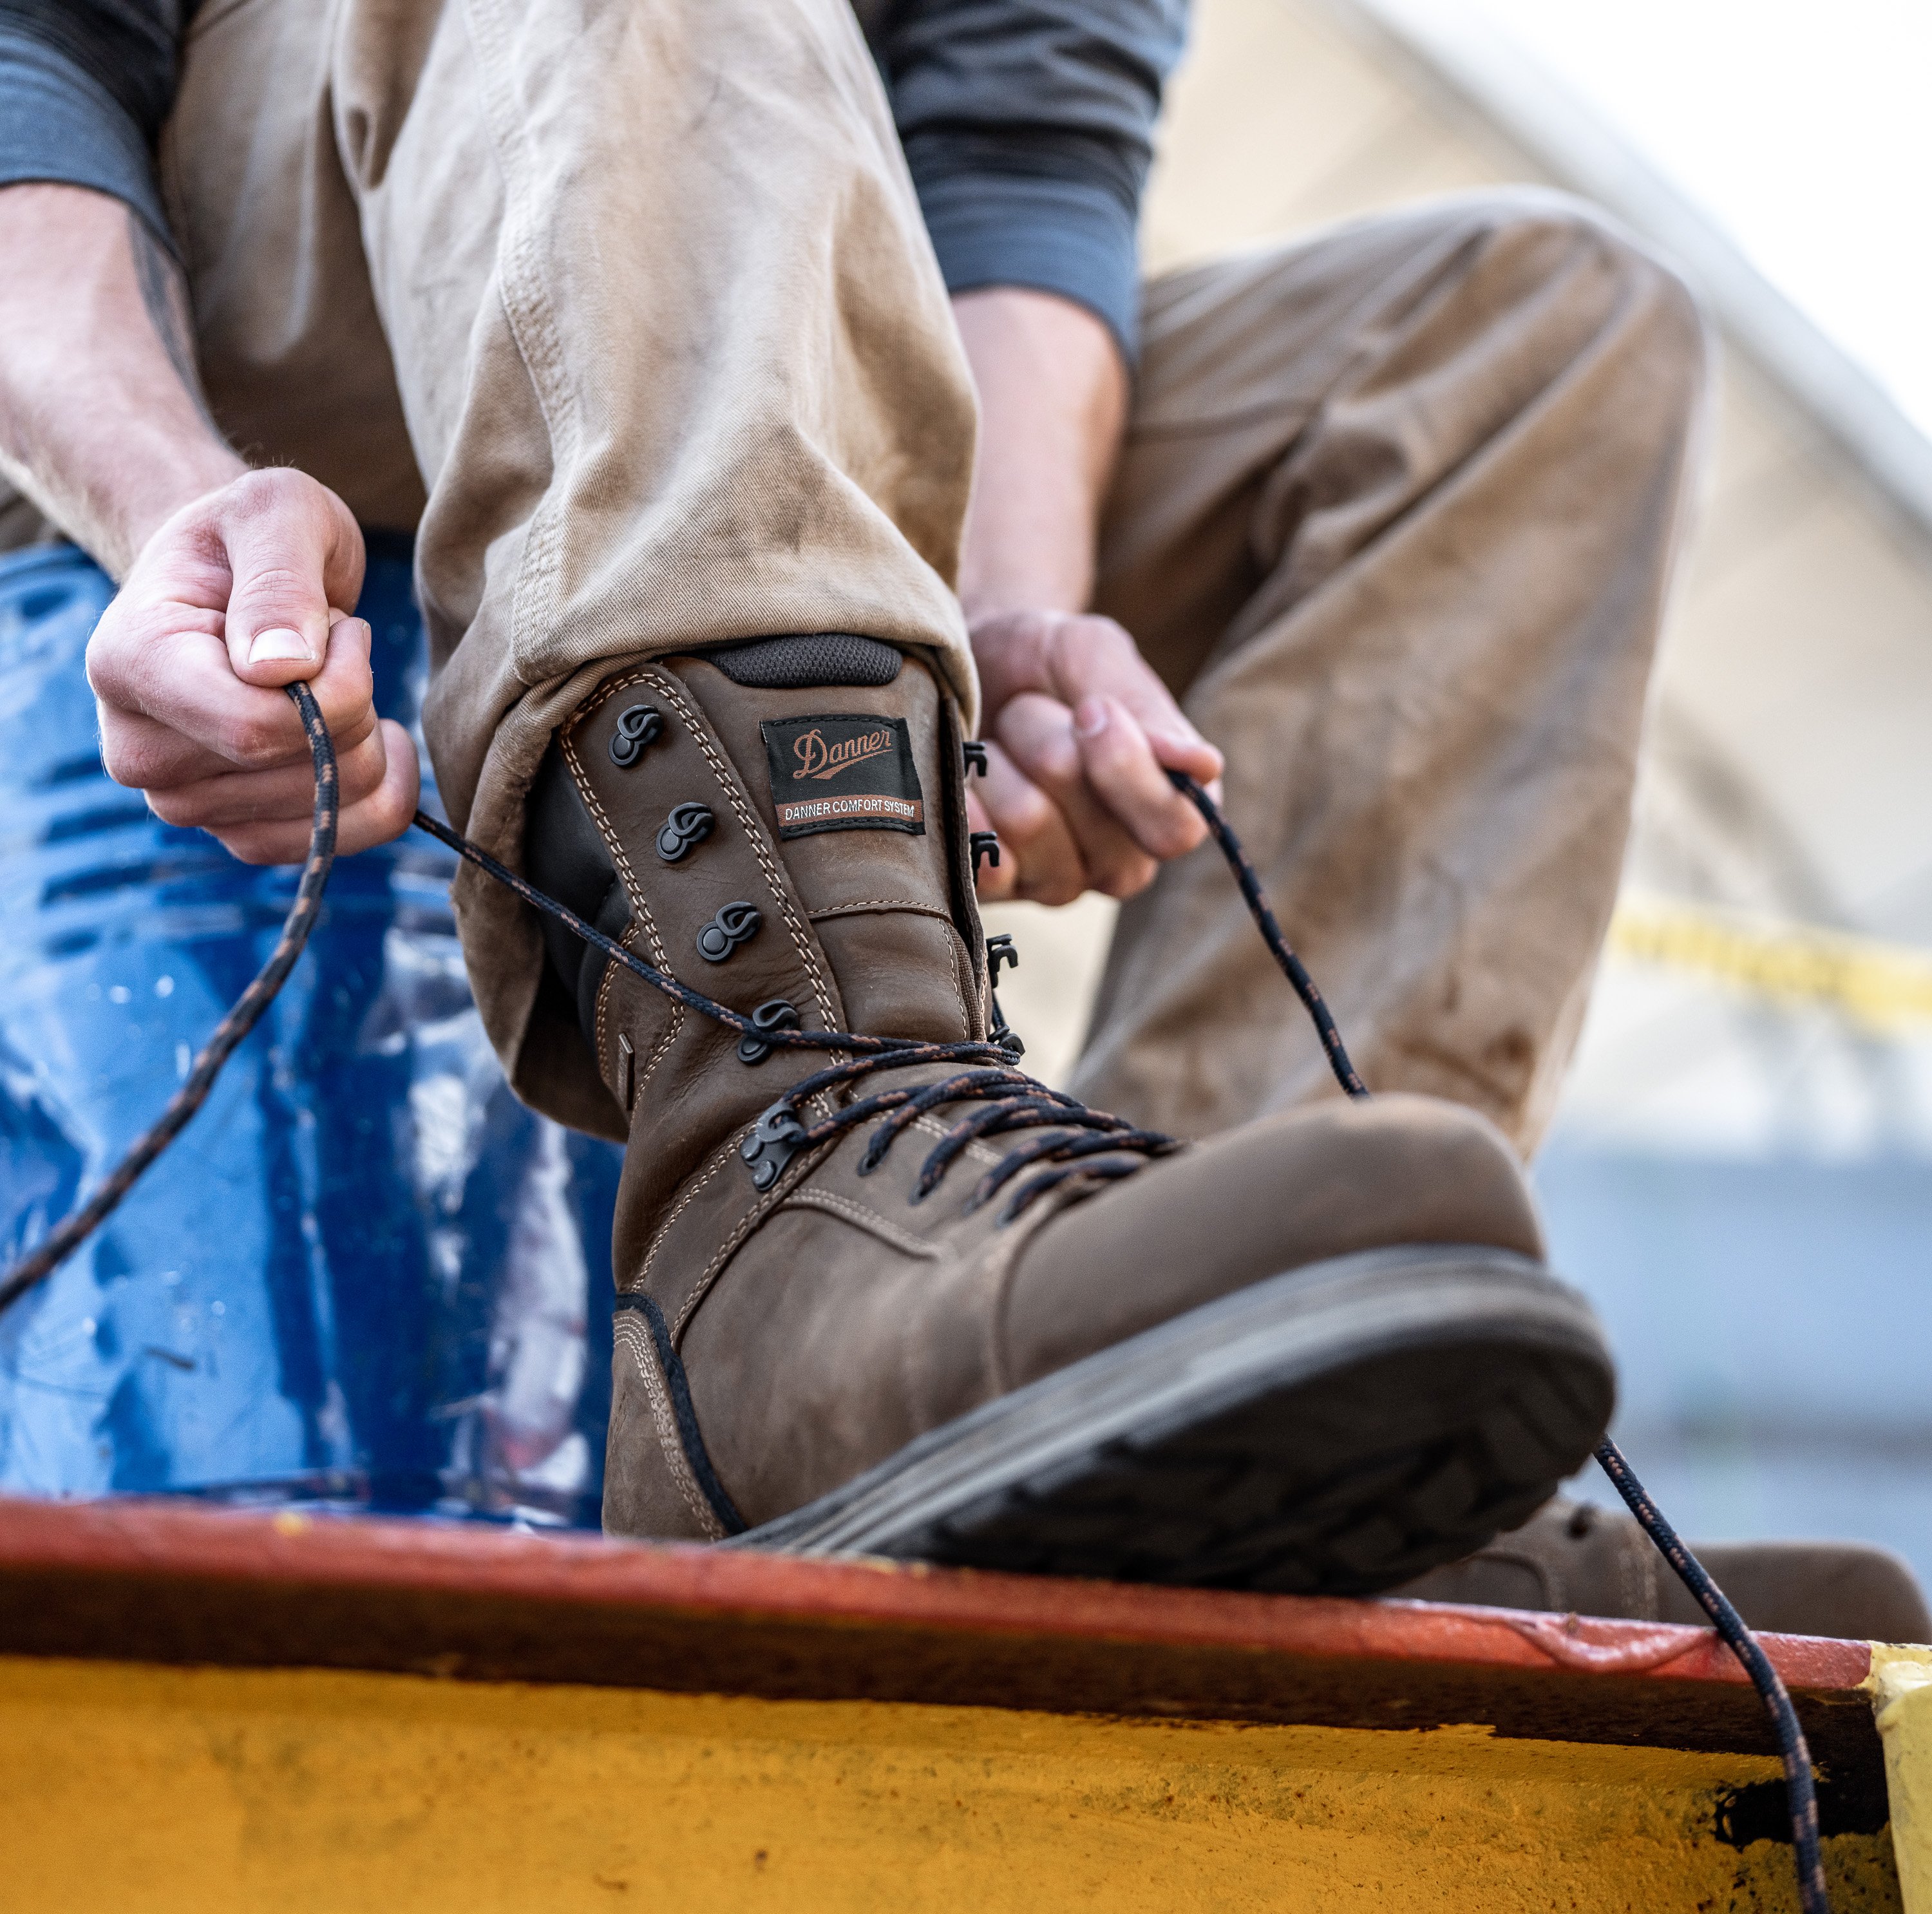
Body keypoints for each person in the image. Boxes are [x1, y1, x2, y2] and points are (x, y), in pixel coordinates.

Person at [0, 0, 1920, 1634]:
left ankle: (1218, 1362)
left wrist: (1009, 606)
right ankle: (778, 1201)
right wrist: (171, 503)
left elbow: (1017, 153)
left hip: (757, 317)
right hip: (277, 283)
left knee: (1539, 334)